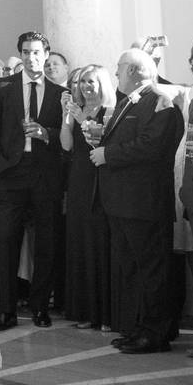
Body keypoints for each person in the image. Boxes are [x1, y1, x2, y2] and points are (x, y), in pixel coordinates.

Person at [93, 49, 184, 354]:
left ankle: (156, 332)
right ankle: (139, 327)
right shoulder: (129, 101)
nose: (115, 72)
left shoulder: (160, 102)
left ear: (134, 71)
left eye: (119, 67)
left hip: (144, 203)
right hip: (123, 202)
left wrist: (108, 154)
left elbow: (152, 147)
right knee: (133, 268)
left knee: (152, 270)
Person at [0, 31, 65, 331]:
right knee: (7, 241)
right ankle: (6, 311)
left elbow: (65, 135)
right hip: (11, 173)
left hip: (45, 173)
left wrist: (46, 134)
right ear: (20, 54)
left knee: (46, 242)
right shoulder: (1, 87)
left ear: (46, 54)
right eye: (27, 52)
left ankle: (40, 307)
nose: (32, 58)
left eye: (37, 52)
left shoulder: (60, 92)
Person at [60, 64, 118, 331]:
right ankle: (84, 311)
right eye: (83, 82)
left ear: (102, 84)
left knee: (99, 244)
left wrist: (82, 118)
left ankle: (105, 315)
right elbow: (66, 144)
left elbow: (99, 142)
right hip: (79, 178)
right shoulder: (76, 110)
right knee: (80, 242)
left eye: (92, 82)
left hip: (100, 181)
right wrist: (66, 117)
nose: (86, 86)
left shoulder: (110, 111)